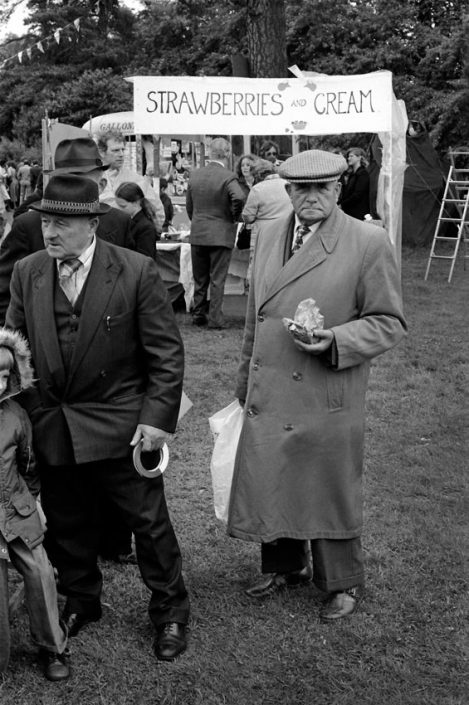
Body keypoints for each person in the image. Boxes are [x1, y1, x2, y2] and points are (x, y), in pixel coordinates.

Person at [6, 173, 190, 661]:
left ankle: (170, 610)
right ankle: (82, 599)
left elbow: (166, 354)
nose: (51, 233)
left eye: (62, 223)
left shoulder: (134, 270)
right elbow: (16, 345)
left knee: (148, 524)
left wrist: (156, 419)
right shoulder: (29, 271)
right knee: (67, 523)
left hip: (121, 423)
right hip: (55, 422)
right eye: (45, 222)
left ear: (92, 222)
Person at [228, 149, 406, 620]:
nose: (310, 197)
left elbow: (389, 322)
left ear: (338, 189)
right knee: (273, 469)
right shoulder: (266, 233)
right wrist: (245, 373)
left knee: (329, 484)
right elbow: (256, 313)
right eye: (301, 188)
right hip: (272, 383)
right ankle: (286, 565)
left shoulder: (368, 241)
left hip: (328, 385)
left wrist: (336, 340)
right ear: (286, 190)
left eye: (321, 188)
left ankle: (341, 582)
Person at [0, 138, 134, 327]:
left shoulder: (119, 222)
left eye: (79, 178)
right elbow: (5, 294)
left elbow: (133, 286)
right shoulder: (28, 225)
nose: (70, 186)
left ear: (102, 184)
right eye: (63, 178)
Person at [0, 328, 70, 681]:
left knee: (41, 572)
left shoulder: (16, 416)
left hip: (17, 509)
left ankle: (52, 647)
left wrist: (33, 499)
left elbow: (29, 464)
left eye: (3, 376)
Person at [186, 137, 246, 329]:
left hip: (198, 231)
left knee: (200, 278)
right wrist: (233, 216)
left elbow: (189, 205)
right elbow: (239, 197)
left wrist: (196, 219)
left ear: (209, 152)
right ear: (227, 153)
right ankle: (215, 318)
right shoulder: (228, 177)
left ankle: (198, 314)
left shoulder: (195, 175)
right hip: (221, 233)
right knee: (217, 279)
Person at [97, 129, 165, 231]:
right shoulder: (94, 179)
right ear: (102, 152)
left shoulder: (136, 179)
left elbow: (157, 212)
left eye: (122, 150)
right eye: (115, 150)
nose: (121, 154)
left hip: (128, 240)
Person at [115, 181, 159, 259]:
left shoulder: (145, 227)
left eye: (123, 206)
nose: (119, 210)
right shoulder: (128, 221)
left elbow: (145, 258)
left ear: (136, 202)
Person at [338, 147, 371, 220]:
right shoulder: (352, 174)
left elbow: (358, 194)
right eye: (348, 156)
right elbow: (347, 193)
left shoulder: (363, 174)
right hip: (350, 212)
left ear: (359, 158)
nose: (349, 158)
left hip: (358, 213)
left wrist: (342, 205)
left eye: (351, 156)